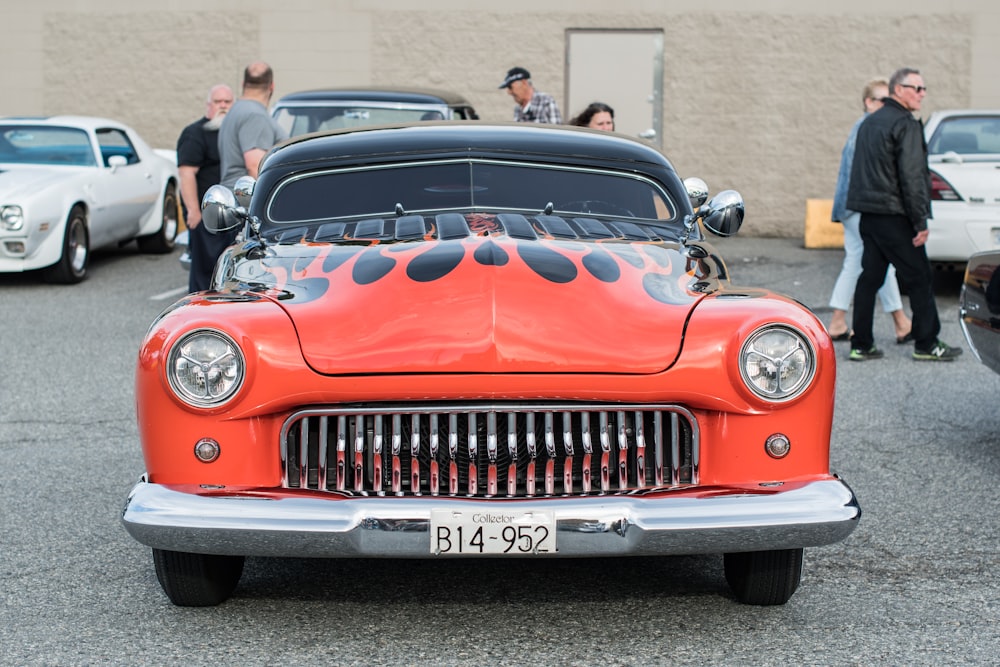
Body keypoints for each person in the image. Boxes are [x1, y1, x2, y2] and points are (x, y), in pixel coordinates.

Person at [846, 67, 961, 362]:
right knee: (920, 277)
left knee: (870, 277)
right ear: (899, 90)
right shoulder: (905, 123)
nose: (922, 94)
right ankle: (927, 343)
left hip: (869, 215)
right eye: (917, 88)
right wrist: (920, 220)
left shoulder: (870, 123)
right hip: (896, 217)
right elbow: (912, 177)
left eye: (924, 89)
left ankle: (861, 344)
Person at [826, 79, 911, 343]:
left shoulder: (862, 127)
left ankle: (840, 321)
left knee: (860, 261)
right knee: (877, 262)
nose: (888, 106)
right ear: (869, 102)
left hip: (851, 206)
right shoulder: (868, 127)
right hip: (861, 206)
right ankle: (900, 322)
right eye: (882, 100)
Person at [177, 83, 235, 293]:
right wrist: (193, 211)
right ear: (208, 105)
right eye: (218, 102)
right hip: (206, 215)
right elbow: (186, 173)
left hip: (231, 214)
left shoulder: (232, 133)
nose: (223, 106)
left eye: (227, 102)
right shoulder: (195, 133)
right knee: (204, 270)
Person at [218, 61, 287, 189]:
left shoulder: (236, 109)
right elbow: (255, 166)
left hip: (235, 196)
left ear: (243, 84)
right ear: (271, 86)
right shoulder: (255, 116)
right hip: (246, 201)